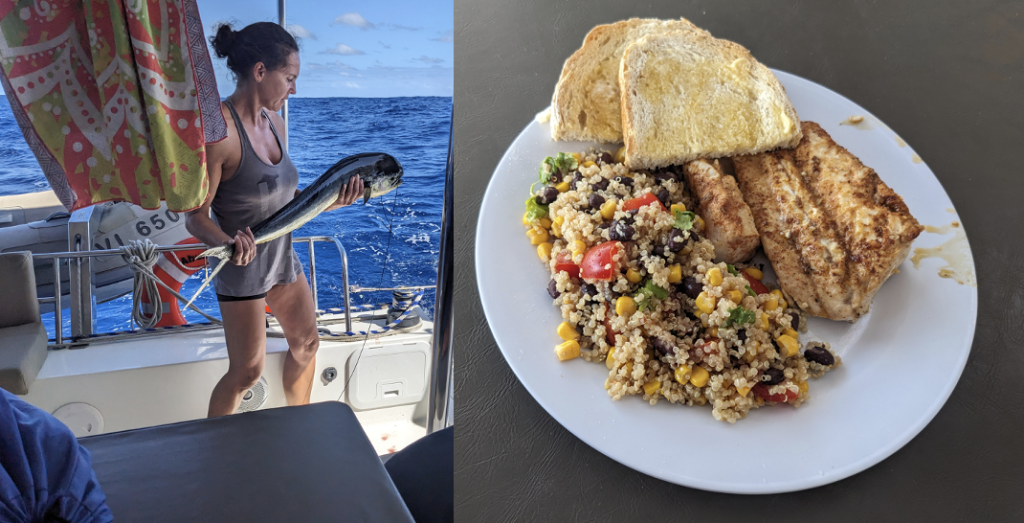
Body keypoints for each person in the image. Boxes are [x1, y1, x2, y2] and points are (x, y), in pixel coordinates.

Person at [186, 22, 364, 417]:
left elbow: (291, 201)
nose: (293, 90)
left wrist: (336, 200)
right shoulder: (221, 133)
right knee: (247, 372)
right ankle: (216, 449)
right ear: (261, 71)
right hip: (242, 266)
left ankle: (297, 427)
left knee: (308, 344)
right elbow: (195, 218)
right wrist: (229, 245)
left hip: (282, 260)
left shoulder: (276, 123)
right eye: (290, 78)